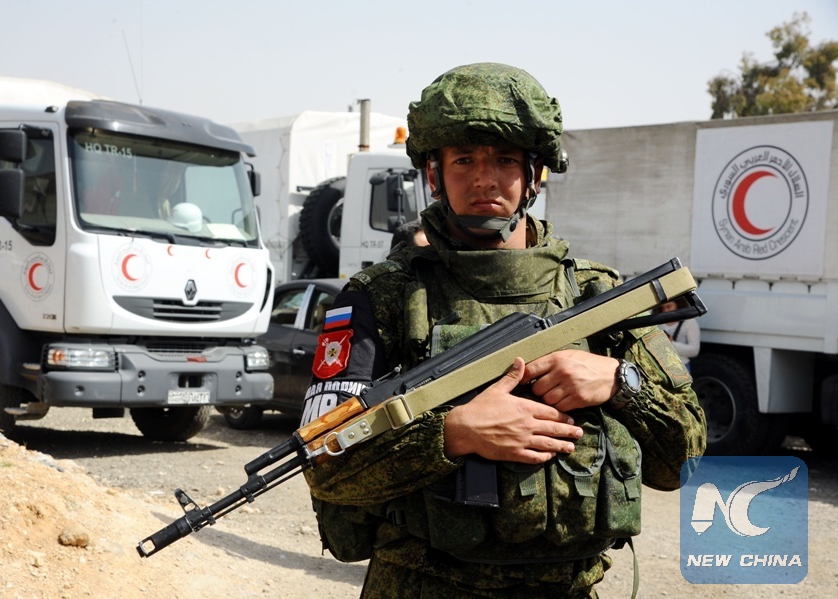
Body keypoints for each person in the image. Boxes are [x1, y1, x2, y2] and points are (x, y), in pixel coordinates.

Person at [301, 63, 706, 598]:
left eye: (505, 160)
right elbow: (322, 461)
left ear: (536, 174)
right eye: (463, 159)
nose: (484, 179)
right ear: (433, 175)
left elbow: (685, 461)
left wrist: (619, 382)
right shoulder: (381, 298)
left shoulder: (597, 298)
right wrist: (453, 434)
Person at [659, 300, 701, 371]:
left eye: (669, 306)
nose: (665, 310)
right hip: (661, 365)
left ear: (678, 304)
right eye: (662, 308)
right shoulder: (659, 321)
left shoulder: (689, 322)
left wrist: (671, 344)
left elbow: (694, 350)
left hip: (681, 366)